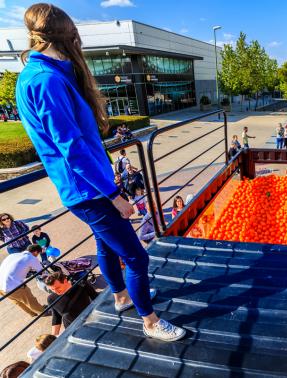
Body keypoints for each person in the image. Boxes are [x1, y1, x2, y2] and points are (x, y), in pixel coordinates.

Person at [16, 3, 185, 341]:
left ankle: (122, 297)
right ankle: (150, 322)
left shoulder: (40, 75)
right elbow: (72, 148)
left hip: (88, 185)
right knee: (137, 258)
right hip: (89, 190)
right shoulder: (46, 80)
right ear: (68, 37)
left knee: (105, 244)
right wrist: (113, 194)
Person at [45, 272, 99, 336]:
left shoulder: (82, 285)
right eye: (53, 289)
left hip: (90, 322)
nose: (56, 291)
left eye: (58, 288)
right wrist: (53, 338)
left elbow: (97, 298)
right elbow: (56, 317)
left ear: (65, 281)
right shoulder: (51, 299)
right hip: (72, 330)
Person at [0, 244, 46, 317]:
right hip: (13, 286)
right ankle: (42, 312)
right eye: (38, 254)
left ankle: (32, 313)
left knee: (17, 301)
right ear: (36, 252)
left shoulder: (13, 255)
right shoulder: (31, 258)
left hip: (1, 286)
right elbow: (42, 272)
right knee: (29, 298)